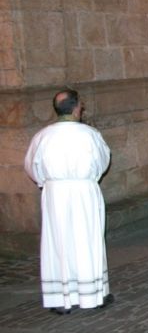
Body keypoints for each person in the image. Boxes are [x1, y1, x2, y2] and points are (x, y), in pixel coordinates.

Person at [24, 89, 113, 315]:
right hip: (83, 192)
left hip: (56, 194)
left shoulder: (43, 136)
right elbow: (102, 161)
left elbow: (31, 167)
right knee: (87, 240)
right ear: (76, 108)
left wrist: (48, 182)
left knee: (59, 242)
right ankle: (92, 295)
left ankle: (61, 298)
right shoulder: (89, 134)